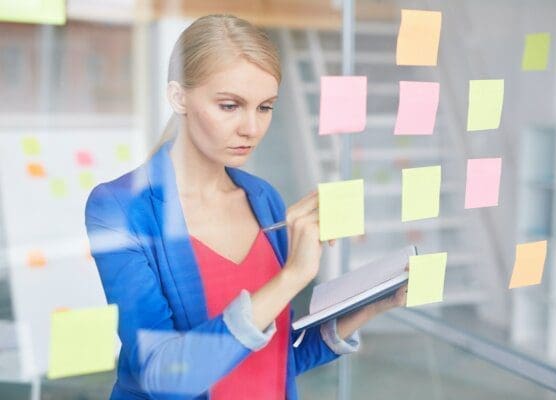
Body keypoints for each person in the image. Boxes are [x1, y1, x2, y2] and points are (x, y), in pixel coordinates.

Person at [85, 14, 407, 400]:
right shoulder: (120, 208)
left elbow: (270, 357)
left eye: (265, 107)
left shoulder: (263, 199)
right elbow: (164, 375)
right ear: (178, 97)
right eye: (229, 105)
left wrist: (372, 304)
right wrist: (292, 276)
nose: (251, 129)